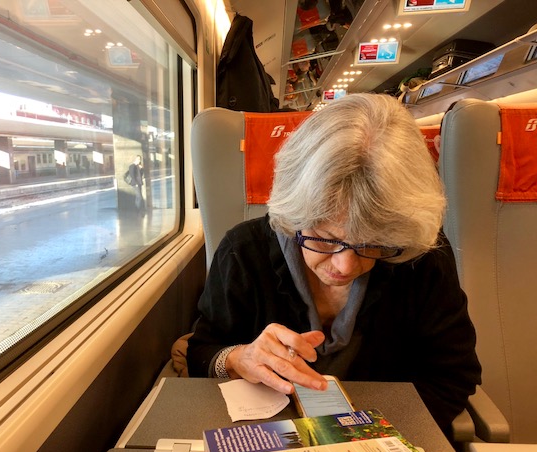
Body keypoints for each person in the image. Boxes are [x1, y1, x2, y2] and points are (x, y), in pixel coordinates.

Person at [187, 93, 481, 433]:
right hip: (266, 437)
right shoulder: (243, 251)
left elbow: (453, 376)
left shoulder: (419, 258)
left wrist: (370, 437)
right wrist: (239, 358)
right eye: (325, 239)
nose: (344, 266)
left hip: (384, 435)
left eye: (374, 244)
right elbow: (202, 354)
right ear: (296, 216)